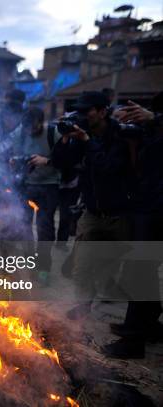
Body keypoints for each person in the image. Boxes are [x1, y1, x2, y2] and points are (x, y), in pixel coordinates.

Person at [51, 91, 134, 320]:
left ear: (102, 111)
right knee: (82, 266)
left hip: (120, 213)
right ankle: (84, 306)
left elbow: (107, 168)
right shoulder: (82, 135)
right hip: (92, 211)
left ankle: (136, 317)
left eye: (87, 111)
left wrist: (88, 142)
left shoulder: (119, 136)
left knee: (125, 266)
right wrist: (66, 138)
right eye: (79, 111)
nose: (82, 115)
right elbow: (60, 163)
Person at [102, 97, 163, 358]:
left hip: (156, 209)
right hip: (147, 205)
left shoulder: (156, 125)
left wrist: (155, 120)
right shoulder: (149, 136)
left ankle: (133, 341)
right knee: (141, 270)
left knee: (139, 271)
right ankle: (146, 326)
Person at [11, 107, 61, 285]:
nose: (29, 131)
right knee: (23, 227)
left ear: (42, 121)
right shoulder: (20, 133)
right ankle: (30, 264)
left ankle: (44, 269)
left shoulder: (53, 133)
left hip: (49, 187)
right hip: (26, 186)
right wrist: (15, 161)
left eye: (33, 127)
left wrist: (46, 161)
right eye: (26, 127)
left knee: (44, 230)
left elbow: (67, 159)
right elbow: (11, 155)